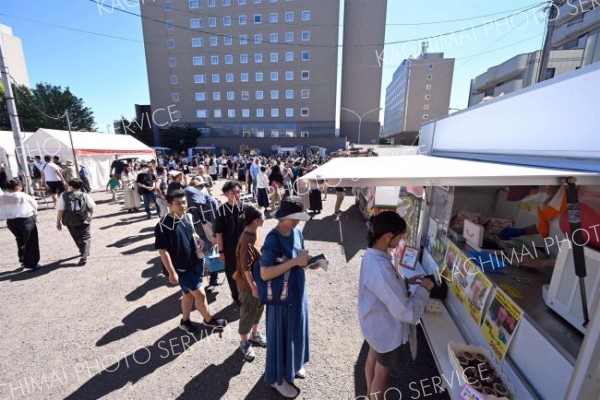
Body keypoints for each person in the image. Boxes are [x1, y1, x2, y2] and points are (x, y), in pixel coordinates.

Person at [358, 211, 434, 400]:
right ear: (388, 236)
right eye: (401, 236)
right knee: (382, 376)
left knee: (372, 358)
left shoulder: (373, 255)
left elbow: (384, 288)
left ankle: (369, 395)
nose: (403, 240)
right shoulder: (382, 266)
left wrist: (407, 283)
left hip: (373, 324)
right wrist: (424, 288)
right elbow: (407, 313)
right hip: (385, 329)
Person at [259, 196, 314, 397]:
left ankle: (293, 364)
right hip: (280, 299)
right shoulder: (272, 238)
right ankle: (277, 379)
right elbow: (265, 273)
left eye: (299, 217)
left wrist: (310, 263)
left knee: (297, 330)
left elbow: (300, 259)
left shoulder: (297, 232)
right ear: (283, 216)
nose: (298, 221)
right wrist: (294, 262)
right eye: (294, 217)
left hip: (297, 293)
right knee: (280, 336)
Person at [154, 189, 227, 334]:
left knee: (187, 294)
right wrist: (172, 272)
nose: (182, 205)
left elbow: (192, 233)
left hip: (195, 263)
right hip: (181, 269)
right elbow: (163, 251)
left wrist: (198, 240)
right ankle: (208, 320)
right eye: (177, 203)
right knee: (200, 294)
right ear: (169, 205)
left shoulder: (188, 217)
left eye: (183, 202)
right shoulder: (163, 226)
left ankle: (185, 321)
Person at [235, 204, 267, 361]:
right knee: (247, 312)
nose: (265, 216)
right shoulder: (246, 240)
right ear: (256, 220)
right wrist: (253, 287)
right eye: (263, 215)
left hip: (260, 282)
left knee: (258, 309)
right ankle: (244, 342)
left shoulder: (255, 232)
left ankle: (255, 334)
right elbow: (245, 268)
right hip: (249, 285)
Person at [0, 179, 41, 270]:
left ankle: (23, 260)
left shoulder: (2, 197)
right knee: (31, 241)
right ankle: (31, 263)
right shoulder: (23, 196)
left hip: (11, 221)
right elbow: (34, 205)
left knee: (20, 239)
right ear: (18, 186)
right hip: (25, 219)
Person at [214, 180, 243, 307]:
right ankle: (236, 298)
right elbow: (219, 234)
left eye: (239, 192)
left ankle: (248, 296)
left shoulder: (245, 208)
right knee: (233, 275)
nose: (237, 195)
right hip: (230, 250)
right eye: (234, 192)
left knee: (248, 272)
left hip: (245, 249)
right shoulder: (221, 211)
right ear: (226, 194)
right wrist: (221, 252)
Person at [56, 178, 96, 266]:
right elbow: (91, 208)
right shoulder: (84, 195)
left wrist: (58, 222)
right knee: (86, 236)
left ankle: (82, 250)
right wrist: (90, 218)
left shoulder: (63, 195)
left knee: (76, 237)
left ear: (70, 186)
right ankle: (84, 254)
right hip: (83, 219)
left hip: (69, 220)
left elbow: (60, 210)